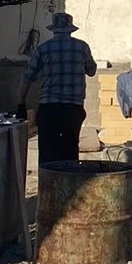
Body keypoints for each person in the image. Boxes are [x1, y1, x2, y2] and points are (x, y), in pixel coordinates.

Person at [18, 12, 97, 165]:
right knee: (70, 150)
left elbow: (27, 77)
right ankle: (69, 178)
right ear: (70, 29)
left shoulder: (43, 48)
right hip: (73, 108)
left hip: (49, 107)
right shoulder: (81, 47)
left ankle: (47, 178)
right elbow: (91, 71)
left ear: (53, 29)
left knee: (48, 152)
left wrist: (21, 103)